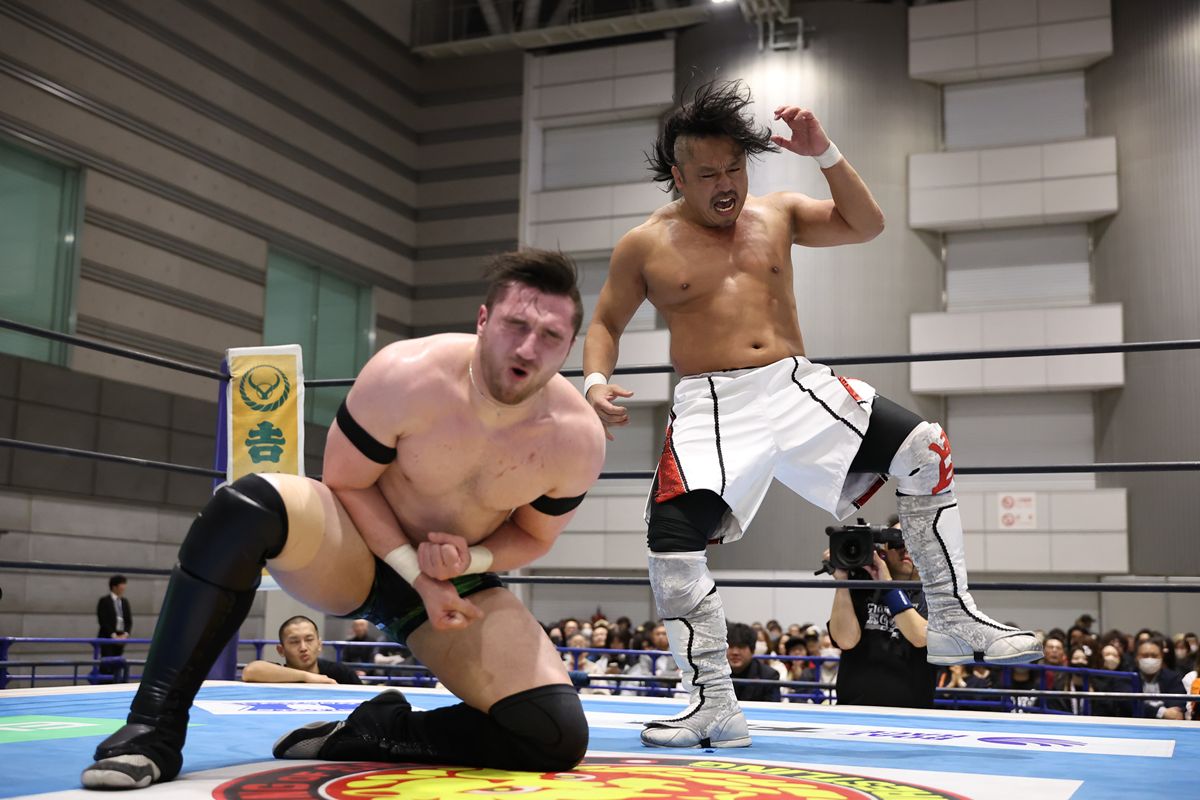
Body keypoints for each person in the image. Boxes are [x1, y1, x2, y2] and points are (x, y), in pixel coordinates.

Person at [581, 79, 1039, 748]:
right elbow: (605, 322)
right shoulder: (644, 245)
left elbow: (867, 224)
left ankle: (950, 615)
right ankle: (712, 705)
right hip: (712, 403)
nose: (726, 184)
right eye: (708, 174)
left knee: (925, 446)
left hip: (794, 385)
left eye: (735, 167)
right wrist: (595, 382)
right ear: (678, 176)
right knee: (669, 545)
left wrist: (825, 151)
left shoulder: (778, 214)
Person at [81, 249, 606, 789]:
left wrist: (468, 560)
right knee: (246, 507)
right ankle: (152, 730)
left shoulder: (576, 439)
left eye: (550, 336)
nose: (527, 348)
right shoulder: (407, 373)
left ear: (568, 347)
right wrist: (415, 571)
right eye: (516, 325)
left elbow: (534, 536)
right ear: (482, 320)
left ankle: (378, 731)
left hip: (457, 581)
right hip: (355, 548)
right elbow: (347, 481)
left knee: (553, 733)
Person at [825, 522, 937, 710]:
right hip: (853, 710)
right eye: (897, 541)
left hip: (912, 714)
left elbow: (920, 636)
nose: (906, 548)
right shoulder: (861, 586)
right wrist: (842, 580)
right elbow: (845, 640)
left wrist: (887, 583)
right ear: (883, 551)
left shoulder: (934, 594)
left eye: (914, 541)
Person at [243, 616, 362, 685]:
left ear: (319, 645)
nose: (303, 648)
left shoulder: (341, 673)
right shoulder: (275, 676)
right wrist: (307, 677)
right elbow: (250, 671)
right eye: (294, 642)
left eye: (309, 640)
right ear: (281, 650)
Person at [1133, 636, 1186, 720]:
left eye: (1154, 656)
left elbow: (1178, 707)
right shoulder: (1127, 677)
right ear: (1137, 657)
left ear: (1161, 657)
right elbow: (1129, 704)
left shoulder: (1173, 678)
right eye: (1145, 656)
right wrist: (1161, 712)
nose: (1149, 659)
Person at [725, 623, 781, 702]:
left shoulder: (769, 676)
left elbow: (772, 708)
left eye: (741, 646)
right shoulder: (714, 675)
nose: (735, 652)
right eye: (730, 646)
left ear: (752, 650)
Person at [95, 575, 133, 684]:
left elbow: (128, 620)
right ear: (114, 586)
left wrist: (125, 634)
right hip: (108, 638)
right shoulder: (104, 601)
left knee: (117, 663)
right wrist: (113, 635)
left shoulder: (124, 602)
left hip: (121, 638)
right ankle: (104, 685)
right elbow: (103, 620)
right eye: (122, 584)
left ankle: (116, 683)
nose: (124, 587)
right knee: (107, 664)